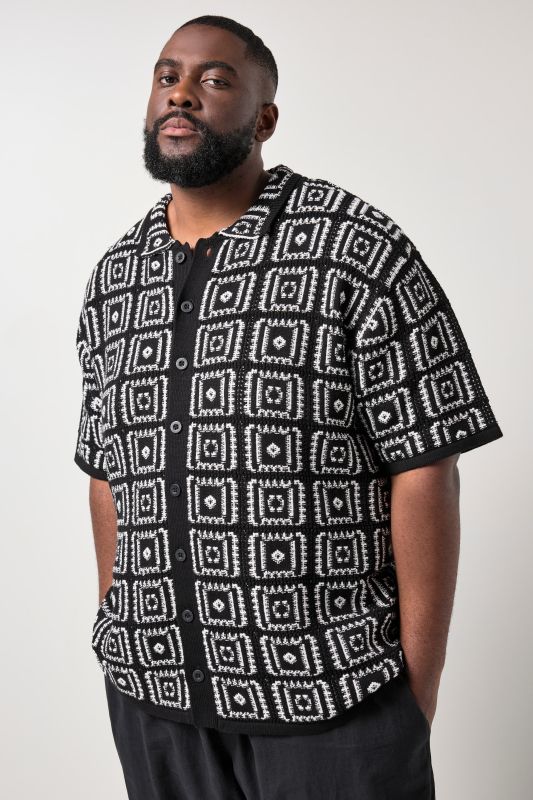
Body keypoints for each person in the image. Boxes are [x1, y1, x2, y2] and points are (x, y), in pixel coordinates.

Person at [73, 14, 503, 800]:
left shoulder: (357, 250)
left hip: (332, 697)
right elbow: (106, 473)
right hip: (154, 697)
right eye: (167, 77)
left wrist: (414, 689)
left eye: (214, 80)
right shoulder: (115, 277)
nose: (181, 94)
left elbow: (424, 464)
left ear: (264, 118)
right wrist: (121, 629)